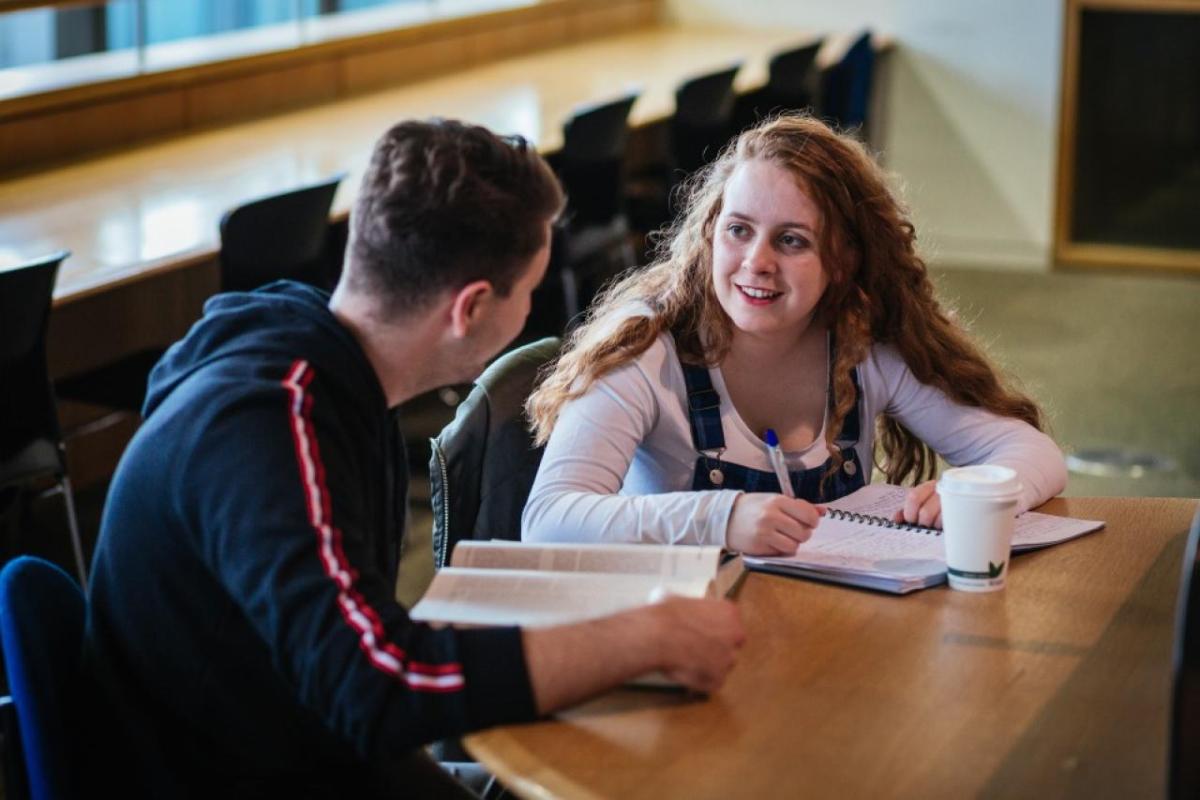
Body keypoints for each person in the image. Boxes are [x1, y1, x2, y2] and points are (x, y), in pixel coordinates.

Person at [82, 118, 744, 797]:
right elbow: (377, 689)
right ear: (472, 307)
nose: (529, 312)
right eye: (529, 292)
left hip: (292, 739)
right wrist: (644, 638)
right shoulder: (269, 426)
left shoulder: (318, 359)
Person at [522, 113, 1067, 556]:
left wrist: (974, 493)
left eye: (792, 241)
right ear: (710, 234)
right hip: (682, 634)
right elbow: (549, 519)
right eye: (738, 231)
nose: (756, 262)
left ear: (844, 259)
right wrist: (721, 517)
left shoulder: (862, 338)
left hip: (824, 631)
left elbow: (1030, 452)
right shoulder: (645, 342)